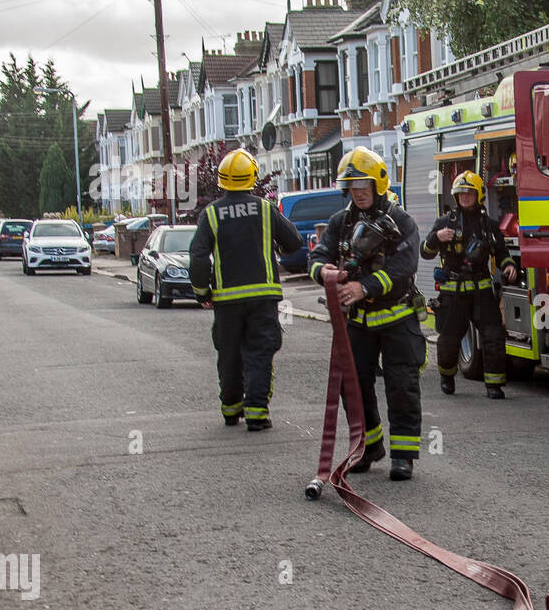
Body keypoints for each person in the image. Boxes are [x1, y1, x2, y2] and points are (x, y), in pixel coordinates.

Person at [308, 147, 424, 481]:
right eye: (352, 185)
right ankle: (368, 447)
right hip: (356, 322)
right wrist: (325, 272)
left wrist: (364, 287)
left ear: (378, 183)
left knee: (401, 385)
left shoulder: (400, 222)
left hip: (397, 317)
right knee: (353, 386)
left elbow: (405, 266)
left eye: (364, 184)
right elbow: (317, 256)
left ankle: (403, 456)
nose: (358, 191)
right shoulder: (340, 222)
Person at [189, 148, 303, 431]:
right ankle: (256, 413)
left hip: (227, 301)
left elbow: (198, 256)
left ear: (222, 180)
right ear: (252, 176)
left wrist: (202, 291)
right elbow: (294, 242)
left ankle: (230, 409)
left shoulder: (211, 214)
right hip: (262, 298)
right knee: (260, 353)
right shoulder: (265, 209)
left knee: (228, 353)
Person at [422, 171, 516, 399]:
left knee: (493, 337)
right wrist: (436, 238)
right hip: (453, 293)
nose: (464, 197)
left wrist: (508, 265)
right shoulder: (444, 223)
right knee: (448, 341)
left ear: (478, 195)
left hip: (481, 290)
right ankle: (447, 377)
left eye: (469, 193)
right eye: (460, 193)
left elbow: (501, 252)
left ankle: (494, 385)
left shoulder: (489, 225)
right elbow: (425, 252)